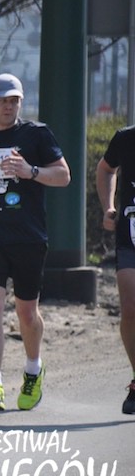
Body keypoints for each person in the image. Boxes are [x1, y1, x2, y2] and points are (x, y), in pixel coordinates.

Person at [0, 73, 70, 411]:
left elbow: (63, 175)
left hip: (27, 237)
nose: (9, 106)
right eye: (3, 100)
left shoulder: (36, 134)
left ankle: (33, 369)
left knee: (27, 312)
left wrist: (30, 171)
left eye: (15, 100)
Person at [95, 127, 135, 415]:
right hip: (129, 237)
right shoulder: (126, 138)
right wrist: (108, 207)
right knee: (130, 308)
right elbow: (106, 169)